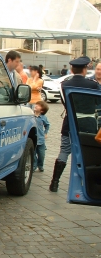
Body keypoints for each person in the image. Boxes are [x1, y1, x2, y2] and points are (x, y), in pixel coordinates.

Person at [49, 56, 99, 192]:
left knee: (64, 151)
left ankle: (54, 182)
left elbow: (64, 102)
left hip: (70, 122)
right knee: (88, 152)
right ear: (85, 69)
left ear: (71, 69)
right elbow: (97, 103)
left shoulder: (64, 84)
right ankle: (86, 185)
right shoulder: (93, 84)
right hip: (88, 123)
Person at [33, 100, 50, 172]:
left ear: (42, 111)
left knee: (41, 154)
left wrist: (45, 133)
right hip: (33, 139)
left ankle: (40, 165)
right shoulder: (31, 116)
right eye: (36, 104)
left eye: (38, 105)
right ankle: (33, 166)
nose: (36, 106)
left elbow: (47, 125)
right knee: (33, 154)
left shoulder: (43, 117)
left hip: (41, 139)